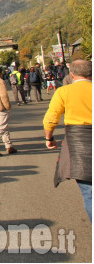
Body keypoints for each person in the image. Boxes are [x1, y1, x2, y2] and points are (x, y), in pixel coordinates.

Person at [42, 59, 92, 222]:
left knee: (89, 193)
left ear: (71, 74)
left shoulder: (64, 92)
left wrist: (49, 138)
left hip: (78, 142)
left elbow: (51, 119)